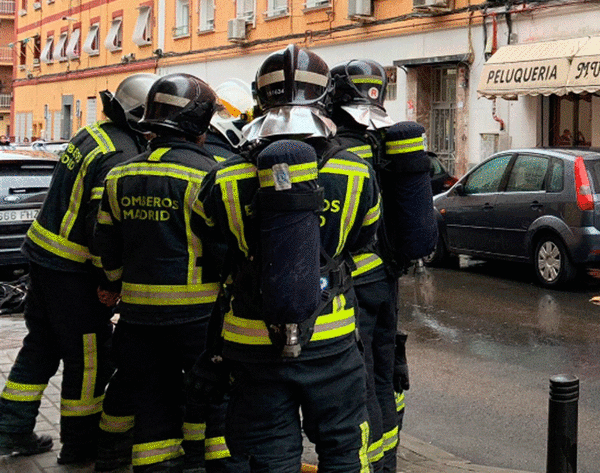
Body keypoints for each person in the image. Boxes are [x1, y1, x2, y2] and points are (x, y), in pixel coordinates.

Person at [194, 45, 381, 471]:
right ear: (322, 99)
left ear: (262, 100)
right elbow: (363, 240)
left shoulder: (224, 177)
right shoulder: (354, 172)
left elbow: (209, 241)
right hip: (331, 340)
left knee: (267, 453)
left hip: (250, 344)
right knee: (344, 448)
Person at [0, 73, 157, 461]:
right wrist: (110, 278)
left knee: (40, 346)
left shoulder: (93, 135)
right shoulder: (121, 154)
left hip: (43, 259)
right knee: (89, 360)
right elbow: (100, 225)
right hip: (75, 272)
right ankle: (80, 445)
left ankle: (10, 430)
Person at [94, 74, 237, 473]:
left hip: (138, 319)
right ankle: (203, 464)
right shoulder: (211, 175)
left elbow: (106, 244)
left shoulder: (120, 174)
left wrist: (113, 284)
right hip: (199, 319)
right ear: (200, 125)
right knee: (210, 399)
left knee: (153, 401)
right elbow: (225, 252)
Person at [327, 59, 436, 473]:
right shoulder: (387, 146)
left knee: (360, 379)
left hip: (351, 282)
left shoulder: (337, 153)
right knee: (385, 374)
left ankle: (369, 464)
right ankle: (386, 459)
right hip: (387, 279)